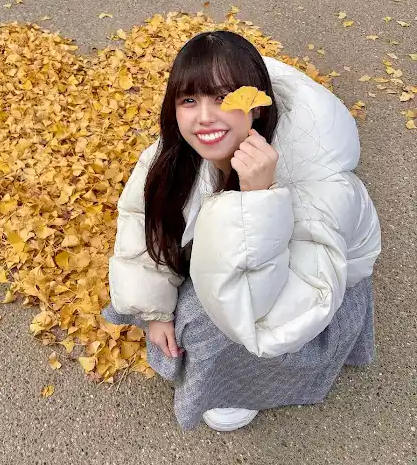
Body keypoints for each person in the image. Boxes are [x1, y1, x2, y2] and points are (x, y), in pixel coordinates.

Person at [102, 30, 381, 432]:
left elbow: (268, 316)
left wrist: (259, 202)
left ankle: (240, 387)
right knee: (174, 299)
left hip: (303, 297)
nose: (204, 117)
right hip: (247, 270)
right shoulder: (178, 151)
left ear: (256, 108)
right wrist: (154, 311)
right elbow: (142, 221)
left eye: (223, 98)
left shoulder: (321, 189)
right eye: (189, 100)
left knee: (204, 322)